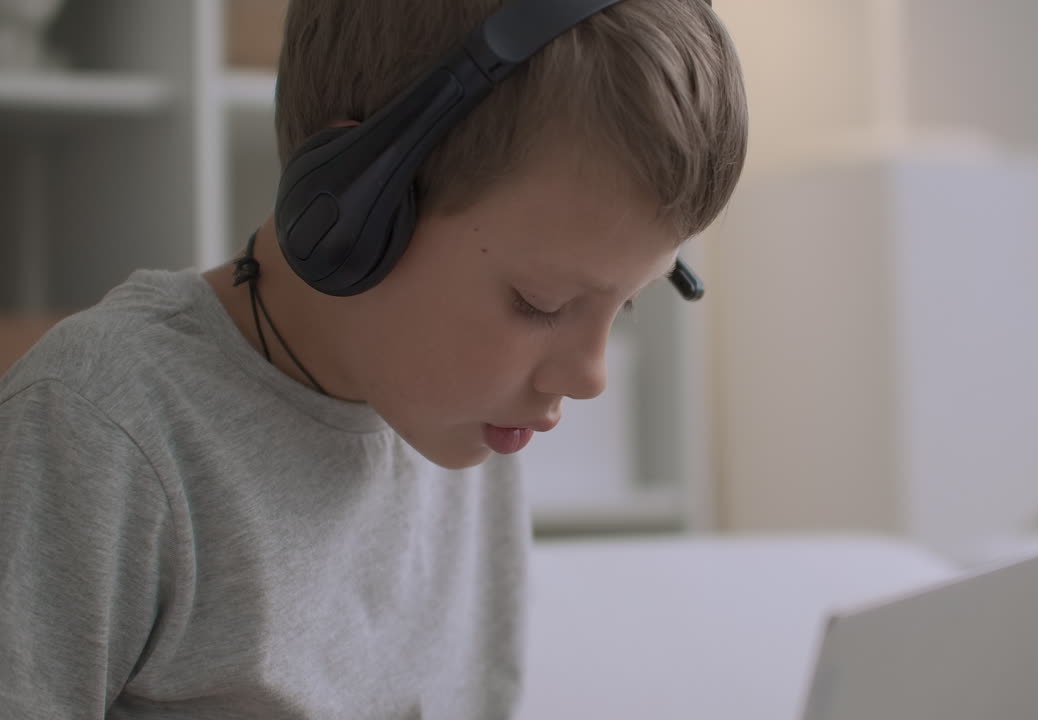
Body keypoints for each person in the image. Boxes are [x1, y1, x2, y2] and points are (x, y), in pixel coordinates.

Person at [0, 0, 747, 716]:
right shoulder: (100, 428)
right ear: (356, 203)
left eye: (628, 303)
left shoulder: (469, 420)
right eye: (542, 304)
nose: (589, 377)